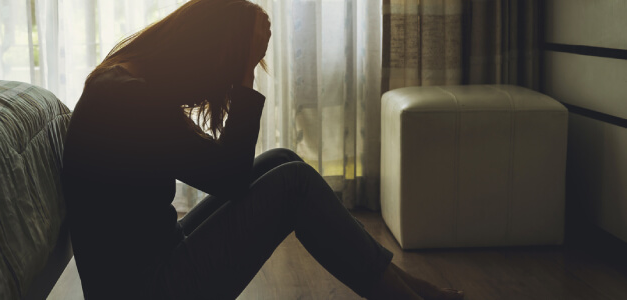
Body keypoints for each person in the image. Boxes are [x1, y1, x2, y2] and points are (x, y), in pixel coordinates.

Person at [60, 0, 464, 299]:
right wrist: (244, 75)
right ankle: (408, 297)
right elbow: (230, 177)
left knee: (281, 161)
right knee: (294, 185)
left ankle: (411, 291)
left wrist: (241, 59)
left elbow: (218, 170)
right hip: (150, 290)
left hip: (150, 268)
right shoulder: (131, 100)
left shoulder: (124, 84)